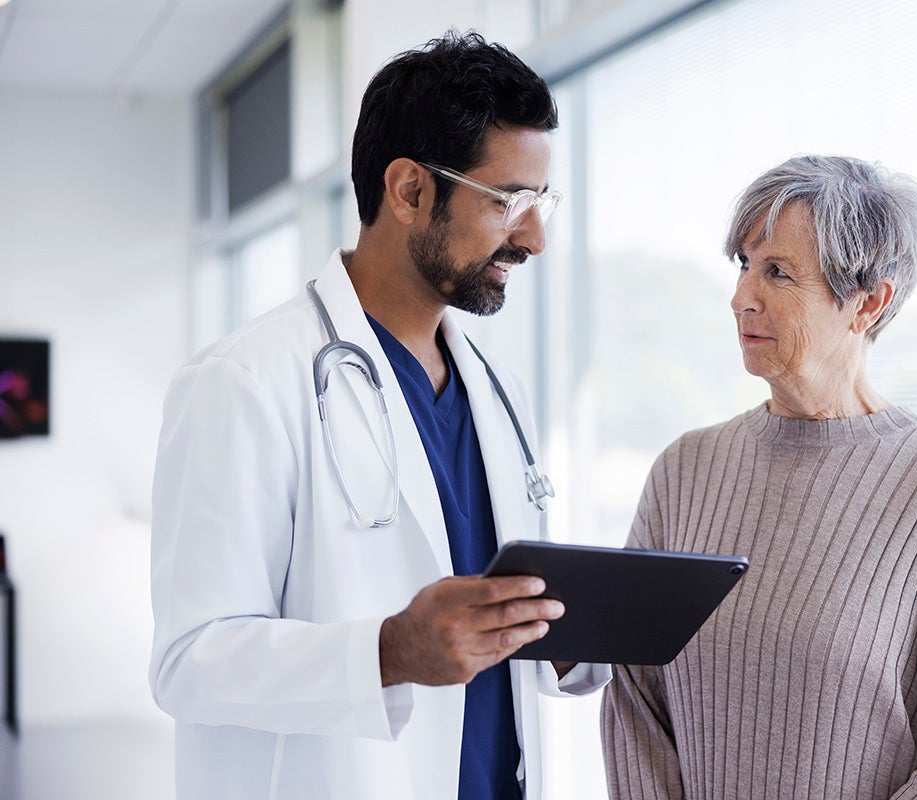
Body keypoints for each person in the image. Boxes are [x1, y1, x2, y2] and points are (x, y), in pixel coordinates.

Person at [149, 31, 609, 800]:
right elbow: (188, 662)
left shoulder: (497, 388)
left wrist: (570, 628)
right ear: (408, 191)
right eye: (510, 201)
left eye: (543, 201)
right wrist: (389, 653)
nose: (533, 236)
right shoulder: (244, 382)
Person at [602, 155, 917, 799]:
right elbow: (634, 700)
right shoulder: (683, 473)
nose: (742, 296)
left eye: (778, 272)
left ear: (869, 302)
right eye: (744, 265)